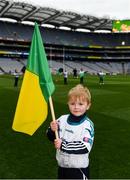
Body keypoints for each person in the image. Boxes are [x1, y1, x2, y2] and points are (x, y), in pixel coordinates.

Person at [47, 84, 94, 179]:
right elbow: (51, 137)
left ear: (88, 106)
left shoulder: (87, 124)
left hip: (78, 170)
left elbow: (84, 146)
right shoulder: (62, 119)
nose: (76, 107)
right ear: (68, 103)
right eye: (72, 104)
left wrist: (63, 145)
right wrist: (52, 130)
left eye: (80, 104)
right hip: (62, 167)